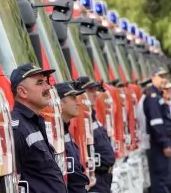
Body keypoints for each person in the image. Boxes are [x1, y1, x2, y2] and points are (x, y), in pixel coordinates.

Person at [10, 63, 67, 193]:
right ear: (22, 92)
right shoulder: (16, 129)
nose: (48, 87)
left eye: (46, 82)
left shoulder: (34, 123)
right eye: (40, 83)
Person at [76, 76, 115, 193]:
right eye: (90, 90)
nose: (95, 94)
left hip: (105, 178)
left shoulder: (92, 116)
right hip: (96, 179)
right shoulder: (80, 118)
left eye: (95, 90)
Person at [143, 67, 171, 193]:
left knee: (166, 179)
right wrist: (165, 143)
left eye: (165, 76)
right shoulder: (152, 97)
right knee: (161, 181)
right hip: (159, 146)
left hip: (164, 142)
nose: (164, 79)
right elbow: (156, 123)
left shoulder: (158, 95)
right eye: (160, 76)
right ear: (153, 78)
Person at [55, 81, 90, 193]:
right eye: (73, 98)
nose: (78, 103)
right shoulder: (53, 134)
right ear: (60, 103)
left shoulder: (65, 130)